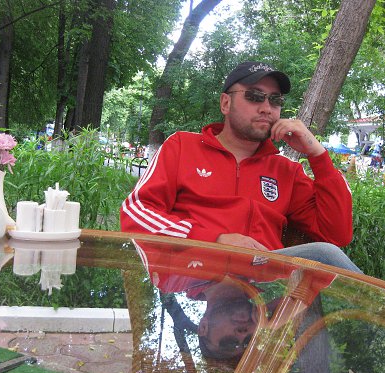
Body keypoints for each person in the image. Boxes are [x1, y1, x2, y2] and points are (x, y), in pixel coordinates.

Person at [121, 60, 360, 274]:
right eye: (254, 96)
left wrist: (317, 154)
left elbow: (337, 234)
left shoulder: (286, 170)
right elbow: (137, 212)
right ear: (226, 103)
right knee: (325, 255)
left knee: (326, 254)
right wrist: (214, 240)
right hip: (193, 277)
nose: (266, 107)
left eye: (275, 100)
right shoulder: (182, 146)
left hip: (264, 286)